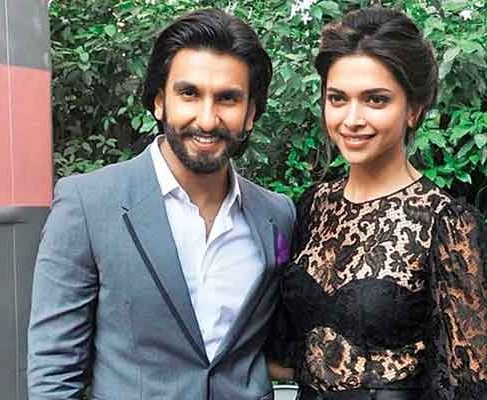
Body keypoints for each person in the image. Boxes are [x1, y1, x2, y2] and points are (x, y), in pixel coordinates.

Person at [28, 8, 295, 400]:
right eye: (189, 94)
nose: (207, 119)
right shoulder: (88, 204)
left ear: (250, 113)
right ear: (159, 102)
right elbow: (54, 370)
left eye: (227, 98)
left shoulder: (277, 215)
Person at [267, 7, 487, 400]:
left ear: (414, 109)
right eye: (337, 98)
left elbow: (469, 387)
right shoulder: (314, 206)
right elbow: (291, 351)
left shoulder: (446, 224)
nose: (351, 119)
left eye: (375, 100)